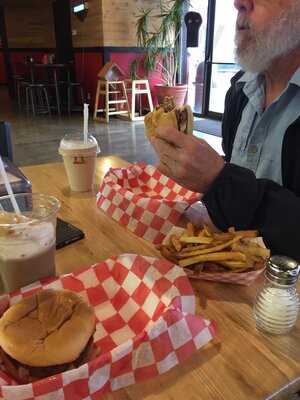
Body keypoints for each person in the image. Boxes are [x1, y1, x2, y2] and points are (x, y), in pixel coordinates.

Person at [151, 0, 300, 260]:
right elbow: (238, 175)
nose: (239, 3)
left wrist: (220, 179)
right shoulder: (239, 91)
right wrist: (200, 173)